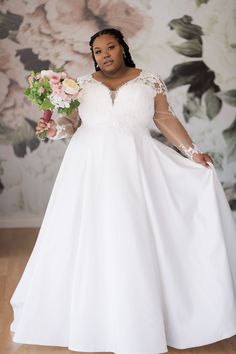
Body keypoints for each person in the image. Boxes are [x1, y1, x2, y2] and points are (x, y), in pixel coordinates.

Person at [10, 28, 236, 354]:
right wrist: (54, 127)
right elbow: (71, 124)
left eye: (110, 47)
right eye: (98, 51)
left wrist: (192, 152)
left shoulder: (150, 81)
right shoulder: (81, 85)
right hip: (88, 168)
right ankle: (93, 318)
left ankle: (142, 318)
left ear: (122, 48)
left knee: (133, 235)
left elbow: (164, 118)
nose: (105, 55)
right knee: (88, 235)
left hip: (136, 165)